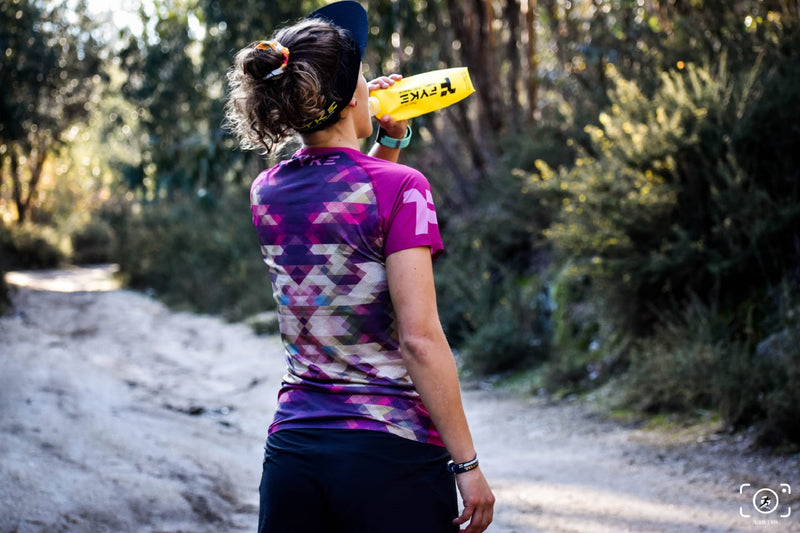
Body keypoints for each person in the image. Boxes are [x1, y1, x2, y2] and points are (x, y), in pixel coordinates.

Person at [224, 2, 494, 532]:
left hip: (294, 454)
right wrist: (467, 465)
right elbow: (419, 339)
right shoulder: (402, 188)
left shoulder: (266, 192)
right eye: (366, 77)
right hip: (389, 457)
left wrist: (385, 141)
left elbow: (347, 223)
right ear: (350, 97)